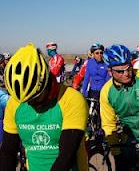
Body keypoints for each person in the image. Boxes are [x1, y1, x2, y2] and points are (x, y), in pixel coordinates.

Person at [0, 43, 88, 171]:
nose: (30, 103)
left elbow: (66, 157)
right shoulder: (15, 103)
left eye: (35, 97)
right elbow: (8, 151)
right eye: (26, 100)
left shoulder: (71, 99)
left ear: (46, 81)